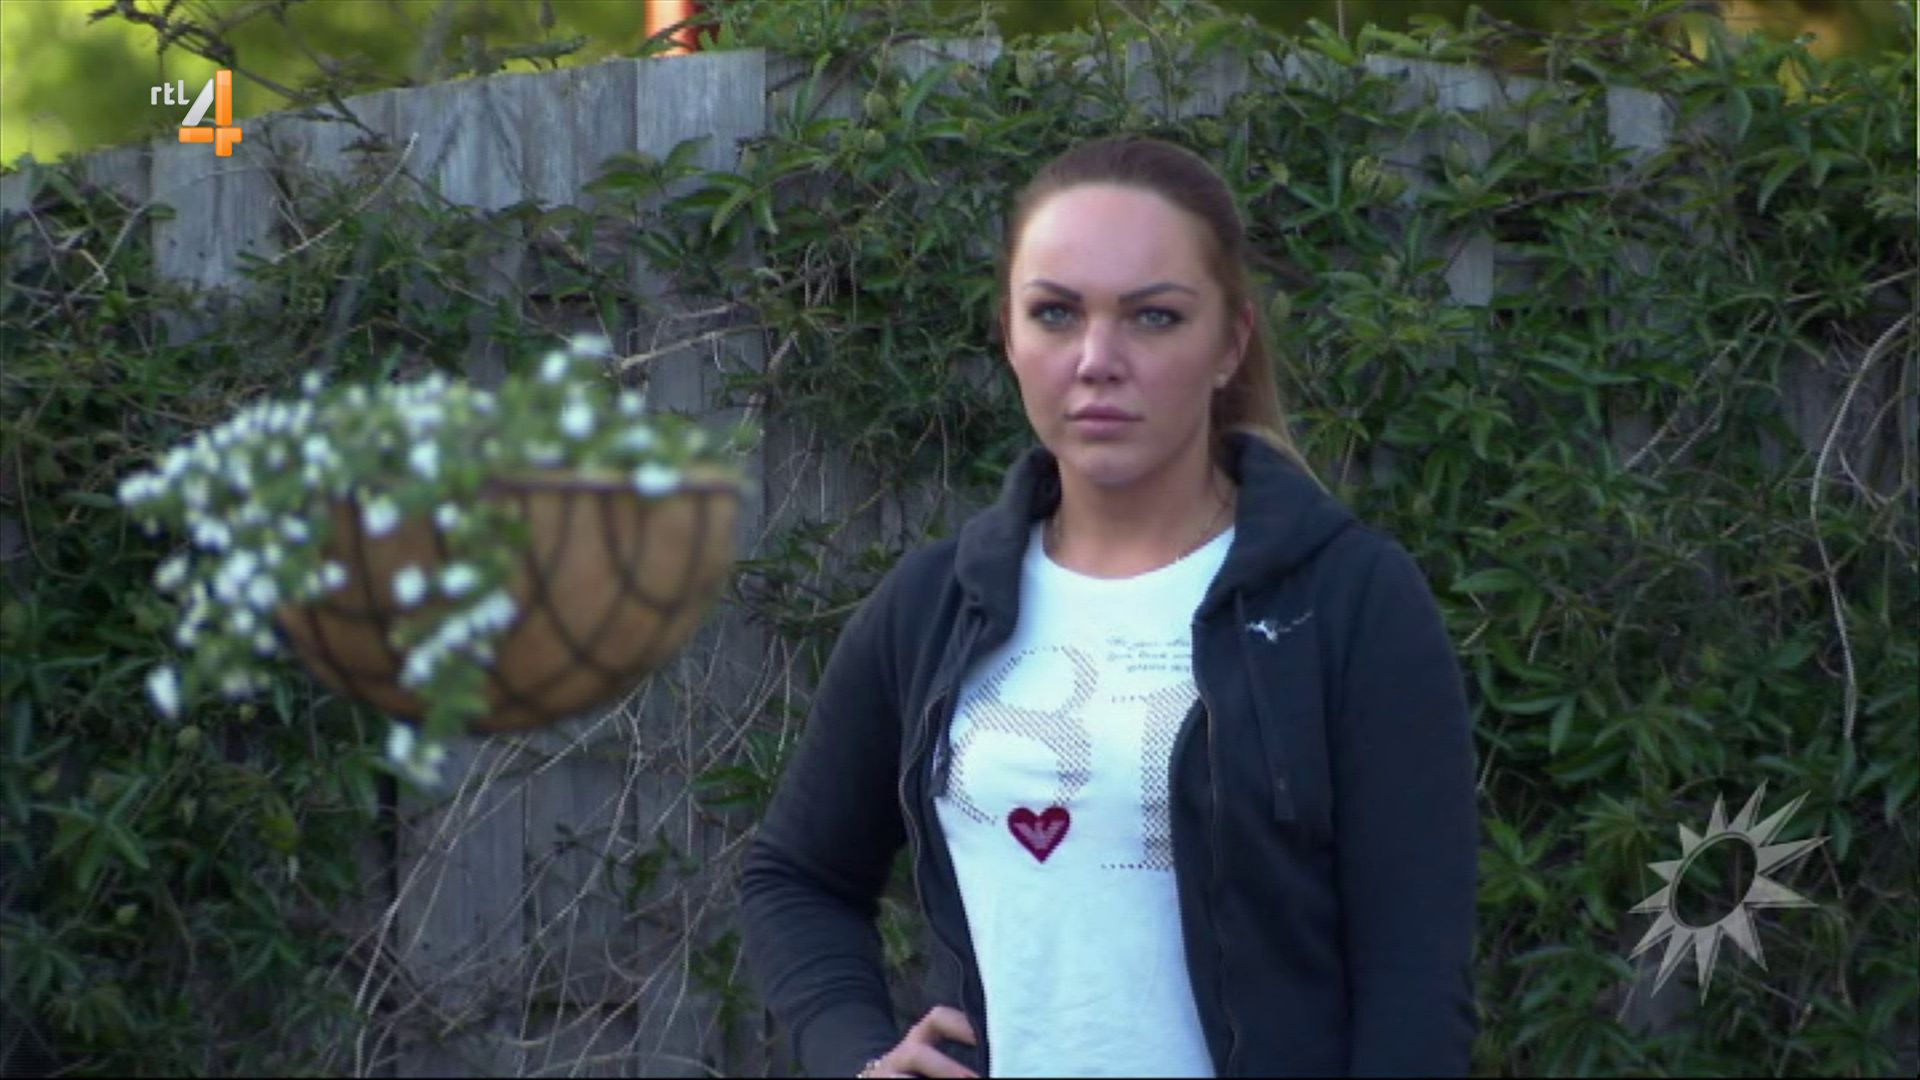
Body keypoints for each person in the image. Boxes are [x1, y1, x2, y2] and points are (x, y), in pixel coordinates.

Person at [738, 134, 1478, 1078]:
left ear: (1230, 342)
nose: (1097, 359)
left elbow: (1415, 979)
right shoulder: (931, 607)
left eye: (1153, 317)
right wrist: (859, 1055)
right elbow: (796, 877)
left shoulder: (1347, 602)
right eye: (1054, 313)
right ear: (1009, 336)